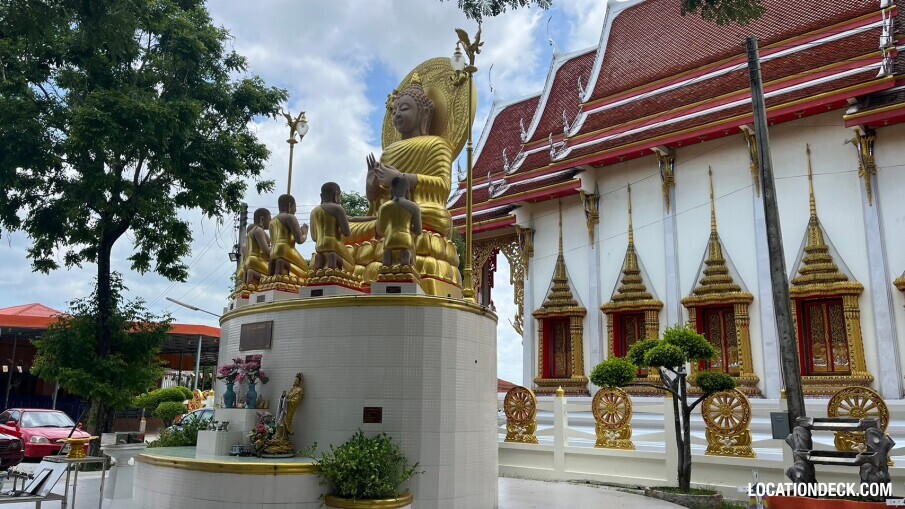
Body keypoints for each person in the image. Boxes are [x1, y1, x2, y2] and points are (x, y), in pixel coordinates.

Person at [377, 177, 422, 267]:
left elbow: (380, 231)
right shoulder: (413, 207)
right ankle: (406, 261)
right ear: (406, 189)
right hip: (405, 239)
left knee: (386, 259)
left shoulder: (384, 207)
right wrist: (408, 227)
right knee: (406, 260)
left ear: (392, 189)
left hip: (389, 239)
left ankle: (386, 265)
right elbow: (418, 231)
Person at [310, 182, 355, 270]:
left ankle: (319, 260)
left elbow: (314, 237)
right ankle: (333, 257)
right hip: (333, 243)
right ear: (336, 194)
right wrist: (344, 223)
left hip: (319, 245)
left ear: (321, 196)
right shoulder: (337, 208)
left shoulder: (314, 211)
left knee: (320, 257)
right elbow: (347, 233)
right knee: (351, 266)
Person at [269, 194, 309, 278]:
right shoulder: (290, 217)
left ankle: (282, 267)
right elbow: (300, 240)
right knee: (307, 272)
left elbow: (286, 237)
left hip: (273, 252)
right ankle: (285, 265)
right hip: (285, 250)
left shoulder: (271, 222)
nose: (296, 210)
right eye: (295, 206)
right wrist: (305, 233)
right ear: (290, 205)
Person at [240, 208, 271, 286]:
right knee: (273, 273)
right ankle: (253, 273)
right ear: (262, 219)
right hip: (256, 260)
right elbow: (266, 250)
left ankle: (249, 277)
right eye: (269, 219)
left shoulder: (251, 233)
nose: (270, 222)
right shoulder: (258, 230)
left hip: (249, 261)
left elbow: (269, 240)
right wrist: (278, 249)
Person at [271, 372, 304, 445]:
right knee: (280, 422)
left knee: (284, 423)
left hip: (289, 409)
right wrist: (283, 396)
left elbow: (296, 401)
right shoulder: (292, 389)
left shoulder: (300, 390)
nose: (295, 381)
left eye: (296, 380)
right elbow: (287, 397)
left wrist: (287, 401)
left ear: (299, 381)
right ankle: (278, 437)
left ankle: (284, 438)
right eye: (294, 380)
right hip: (284, 409)